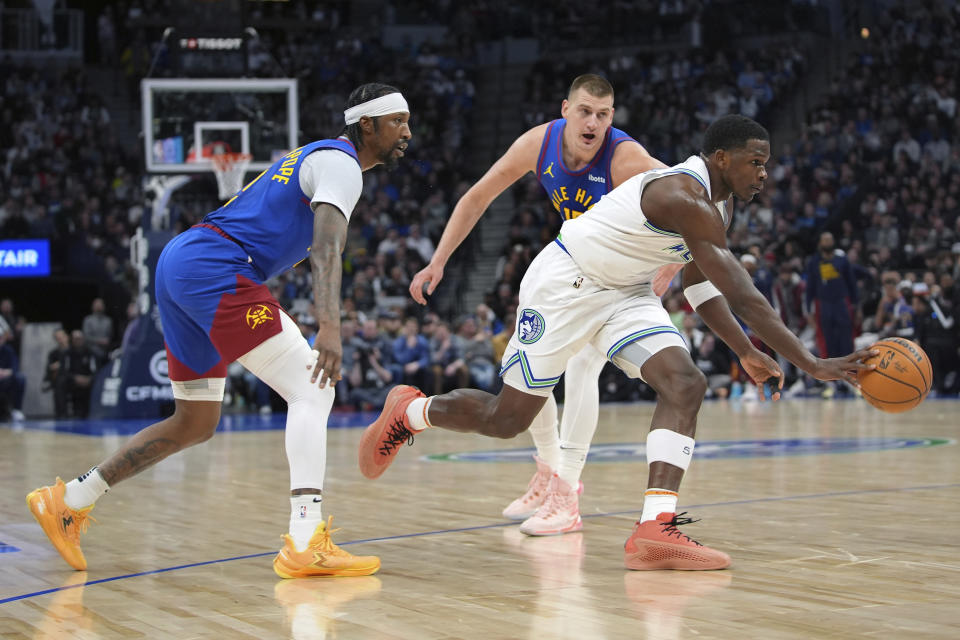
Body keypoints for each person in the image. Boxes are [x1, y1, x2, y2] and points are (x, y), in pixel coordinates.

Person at [360, 115, 875, 570]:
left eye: (766, 163)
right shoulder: (681, 194)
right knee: (506, 420)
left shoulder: (718, 206)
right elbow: (743, 290)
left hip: (625, 293)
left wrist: (743, 350)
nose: (764, 173)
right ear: (721, 157)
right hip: (564, 285)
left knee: (684, 383)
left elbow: (700, 285)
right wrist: (809, 361)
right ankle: (412, 412)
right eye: (755, 161)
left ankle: (655, 529)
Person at [27, 83, 413, 577]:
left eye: (408, 121)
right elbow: (326, 249)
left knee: (195, 422)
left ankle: (70, 499)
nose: (407, 131)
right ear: (367, 125)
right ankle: (304, 538)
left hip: (184, 263)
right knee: (313, 388)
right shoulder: (340, 164)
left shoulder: (316, 159)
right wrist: (330, 328)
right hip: (216, 266)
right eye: (397, 121)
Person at [408, 74, 679, 536]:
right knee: (533, 365)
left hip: (620, 277)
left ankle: (566, 492)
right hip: (573, 266)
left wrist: (673, 266)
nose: (593, 122)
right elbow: (478, 197)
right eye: (585, 111)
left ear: (612, 117)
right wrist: (437, 261)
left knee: (581, 368)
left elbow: (688, 198)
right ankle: (549, 469)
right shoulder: (540, 143)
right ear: (565, 110)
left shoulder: (626, 158)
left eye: (604, 114)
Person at [804, 232, 859, 397]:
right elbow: (810, 288)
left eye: (830, 239)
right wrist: (809, 310)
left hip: (842, 303)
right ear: (820, 243)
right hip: (824, 305)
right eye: (825, 240)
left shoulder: (842, 260)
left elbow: (852, 283)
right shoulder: (814, 262)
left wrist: (857, 306)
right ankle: (831, 384)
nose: (828, 242)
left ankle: (852, 381)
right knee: (827, 343)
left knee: (846, 342)